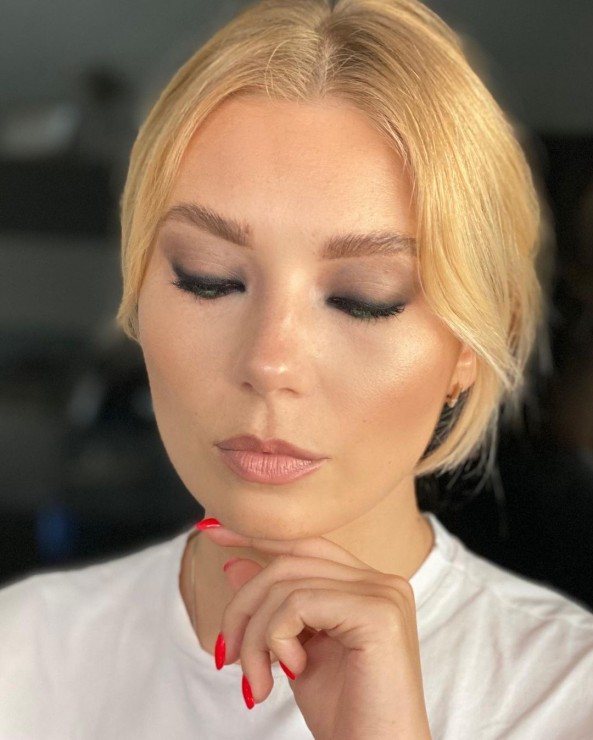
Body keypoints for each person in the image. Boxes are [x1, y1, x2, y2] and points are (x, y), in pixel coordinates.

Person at [1, 0, 592, 737]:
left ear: (471, 345)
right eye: (209, 278)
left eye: (362, 299)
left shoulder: (567, 696)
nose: (269, 362)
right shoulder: (21, 654)